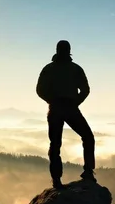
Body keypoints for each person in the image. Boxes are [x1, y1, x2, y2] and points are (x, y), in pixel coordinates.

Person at [36, 40, 96, 189]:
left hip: (56, 109)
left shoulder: (49, 69)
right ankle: (88, 171)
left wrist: (51, 100)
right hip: (70, 108)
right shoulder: (75, 69)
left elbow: (40, 90)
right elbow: (85, 90)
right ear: (69, 51)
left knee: (55, 144)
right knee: (87, 137)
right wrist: (75, 102)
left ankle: (56, 180)